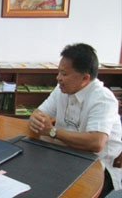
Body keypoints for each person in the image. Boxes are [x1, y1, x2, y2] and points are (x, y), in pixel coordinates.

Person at [28, 43, 122, 197]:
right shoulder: (62, 89)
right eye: (59, 72)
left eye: (64, 74)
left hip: (98, 168)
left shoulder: (103, 99)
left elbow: (96, 143)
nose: (58, 78)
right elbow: (39, 112)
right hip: (64, 156)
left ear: (85, 78)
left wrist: (52, 131)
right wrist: (35, 118)